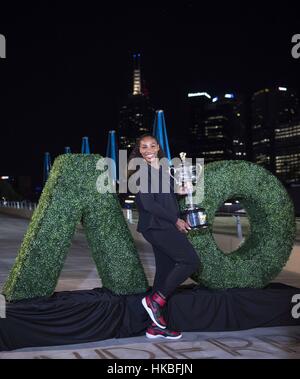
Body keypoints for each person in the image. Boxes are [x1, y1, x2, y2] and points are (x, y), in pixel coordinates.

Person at [128, 134, 201, 340]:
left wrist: (182, 191)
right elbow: (149, 204)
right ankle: (155, 301)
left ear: (158, 147)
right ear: (139, 150)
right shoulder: (140, 172)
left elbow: (167, 196)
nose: (149, 149)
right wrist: (176, 220)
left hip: (165, 224)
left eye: (152, 145)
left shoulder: (163, 170)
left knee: (164, 272)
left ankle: (156, 327)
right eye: (144, 146)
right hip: (157, 226)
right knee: (190, 260)